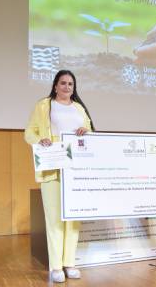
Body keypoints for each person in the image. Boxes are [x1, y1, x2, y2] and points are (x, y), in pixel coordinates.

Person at [25, 70, 94, 283]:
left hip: (77, 169)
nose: (67, 87)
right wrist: (41, 140)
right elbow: (29, 132)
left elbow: (90, 133)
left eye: (70, 84)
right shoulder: (44, 105)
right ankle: (56, 266)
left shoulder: (79, 108)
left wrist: (86, 131)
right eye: (63, 83)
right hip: (53, 166)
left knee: (73, 217)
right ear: (55, 86)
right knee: (54, 217)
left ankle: (69, 263)